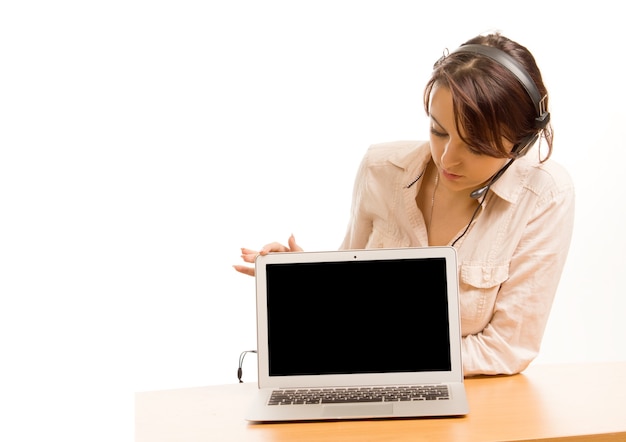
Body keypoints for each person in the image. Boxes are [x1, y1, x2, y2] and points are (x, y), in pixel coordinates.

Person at [233, 32, 575, 376]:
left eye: (476, 147)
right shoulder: (380, 169)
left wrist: (376, 352)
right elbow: (348, 290)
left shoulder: (544, 196)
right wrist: (305, 282)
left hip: (472, 404)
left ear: (522, 144)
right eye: (439, 131)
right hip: (367, 384)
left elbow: (506, 349)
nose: (448, 159)